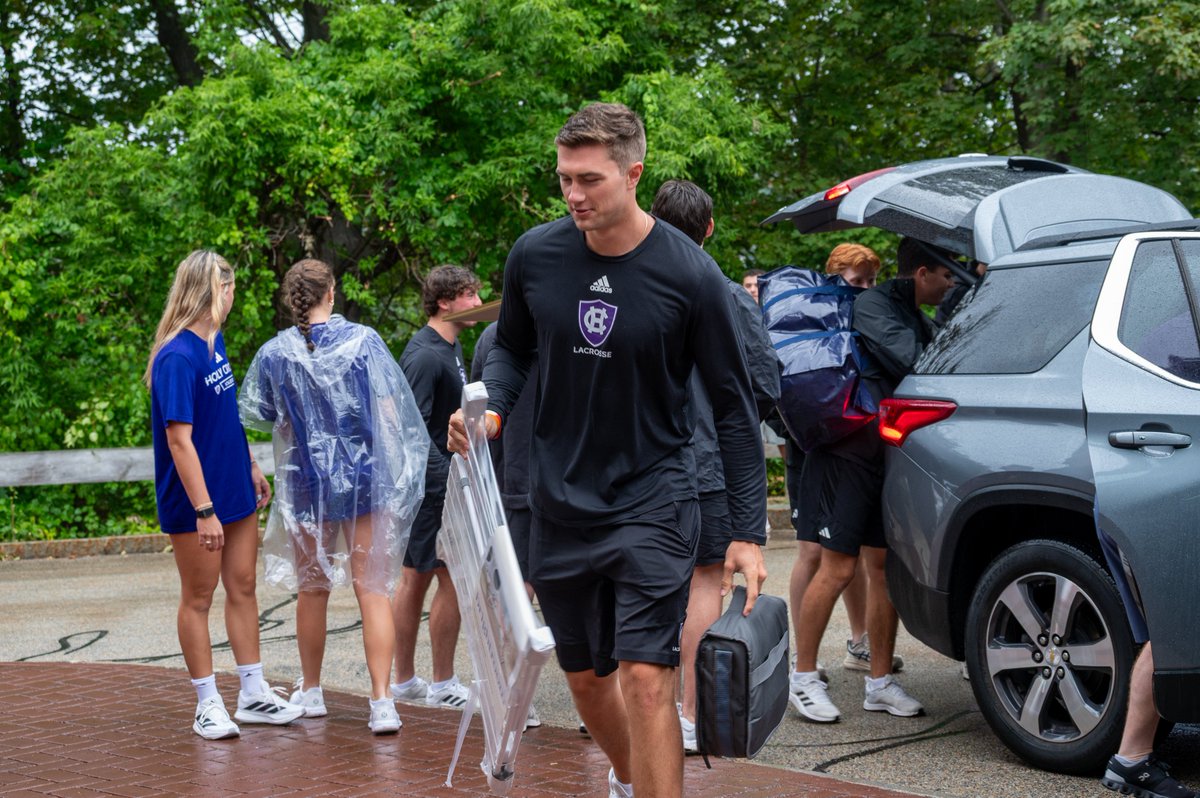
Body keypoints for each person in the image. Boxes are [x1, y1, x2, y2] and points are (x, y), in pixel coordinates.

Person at [448, 102, 768, 798]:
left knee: (647, 678)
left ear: (633, 173)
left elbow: (736, 409)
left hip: (655, 497)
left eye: (589, 179)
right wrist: (492, 408)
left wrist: (747, 531)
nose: (573, 194)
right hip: (560, 500)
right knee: (588, 683)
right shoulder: (535, 255)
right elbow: (512, 349)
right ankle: (630, 779)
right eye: (565, 178)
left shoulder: (690, 275)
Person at [239, 258, 430, 735]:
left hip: (306, 484)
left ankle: (311, 690)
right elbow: (393, 415)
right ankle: (382, 701)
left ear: (291, 299)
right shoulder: (365, 342)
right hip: (366, 480)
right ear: (332, 292)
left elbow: (262, 416)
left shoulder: (275, 353)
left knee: (313, 588)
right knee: (373, 589)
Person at [788, 237, 954, 723]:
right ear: (923, 273)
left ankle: (879, 683)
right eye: (948, 275)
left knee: (882, 567)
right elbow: (918, 363)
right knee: (837, 568)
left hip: (883, 451)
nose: (951, 284)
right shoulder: (874, 306)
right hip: (846, 453)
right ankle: (803, 677)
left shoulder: (908, 309)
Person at [144, 249, 304, 740]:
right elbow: (179, 441)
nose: (233, 296)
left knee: (244, 586)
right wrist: (204, 510)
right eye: (229, 288)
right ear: (216, 290)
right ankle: (207, 703)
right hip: (198, 502)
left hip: (234, 486)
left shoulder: (214, 341)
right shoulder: (176, 356)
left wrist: (250, 464)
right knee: (198, 597)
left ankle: (253, 693)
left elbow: (224, 415)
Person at [649, 178, 778, 753]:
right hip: (710, 465)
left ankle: (636, 705)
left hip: (643, 466)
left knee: (643, 584)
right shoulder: (727, 295)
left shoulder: (635, 289)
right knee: (706, 582)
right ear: (709, 228)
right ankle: (690, 713)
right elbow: (764, 384)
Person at [786, 243, 901, 684]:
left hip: (859, 445)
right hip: (816, 447)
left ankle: (859, 641)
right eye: (857, 281)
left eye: (872, 281)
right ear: (835, 279)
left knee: (853, 553)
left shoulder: (869, 318)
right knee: (814, 553)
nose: (866, 289)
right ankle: (802, 658)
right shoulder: (817, 318)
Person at [391, 264, 482, 709]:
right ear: (444, 302)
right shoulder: (425, 355)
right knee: (438, 579)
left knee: (422, 578)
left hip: (444, 487)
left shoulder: (451, 346)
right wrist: (445, 477)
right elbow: (409, 428)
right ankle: (437, 684)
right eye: (469, 295)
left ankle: (407, 681)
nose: (477, 302)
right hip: (432, 490)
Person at [469, 321, 542, 730]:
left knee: (517, 593)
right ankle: (512, 696)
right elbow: (478, 411)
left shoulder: (494, 335)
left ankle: (513, 696)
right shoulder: (496, 337)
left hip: (521, 481)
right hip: (518, 482)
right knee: (518, 593)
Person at [1098, 531, 1197, 798]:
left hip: (1135, 517)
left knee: (1172, 632)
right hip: (1149, 521)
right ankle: (1131, 760)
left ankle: (1132, 759)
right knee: (1175, 631)